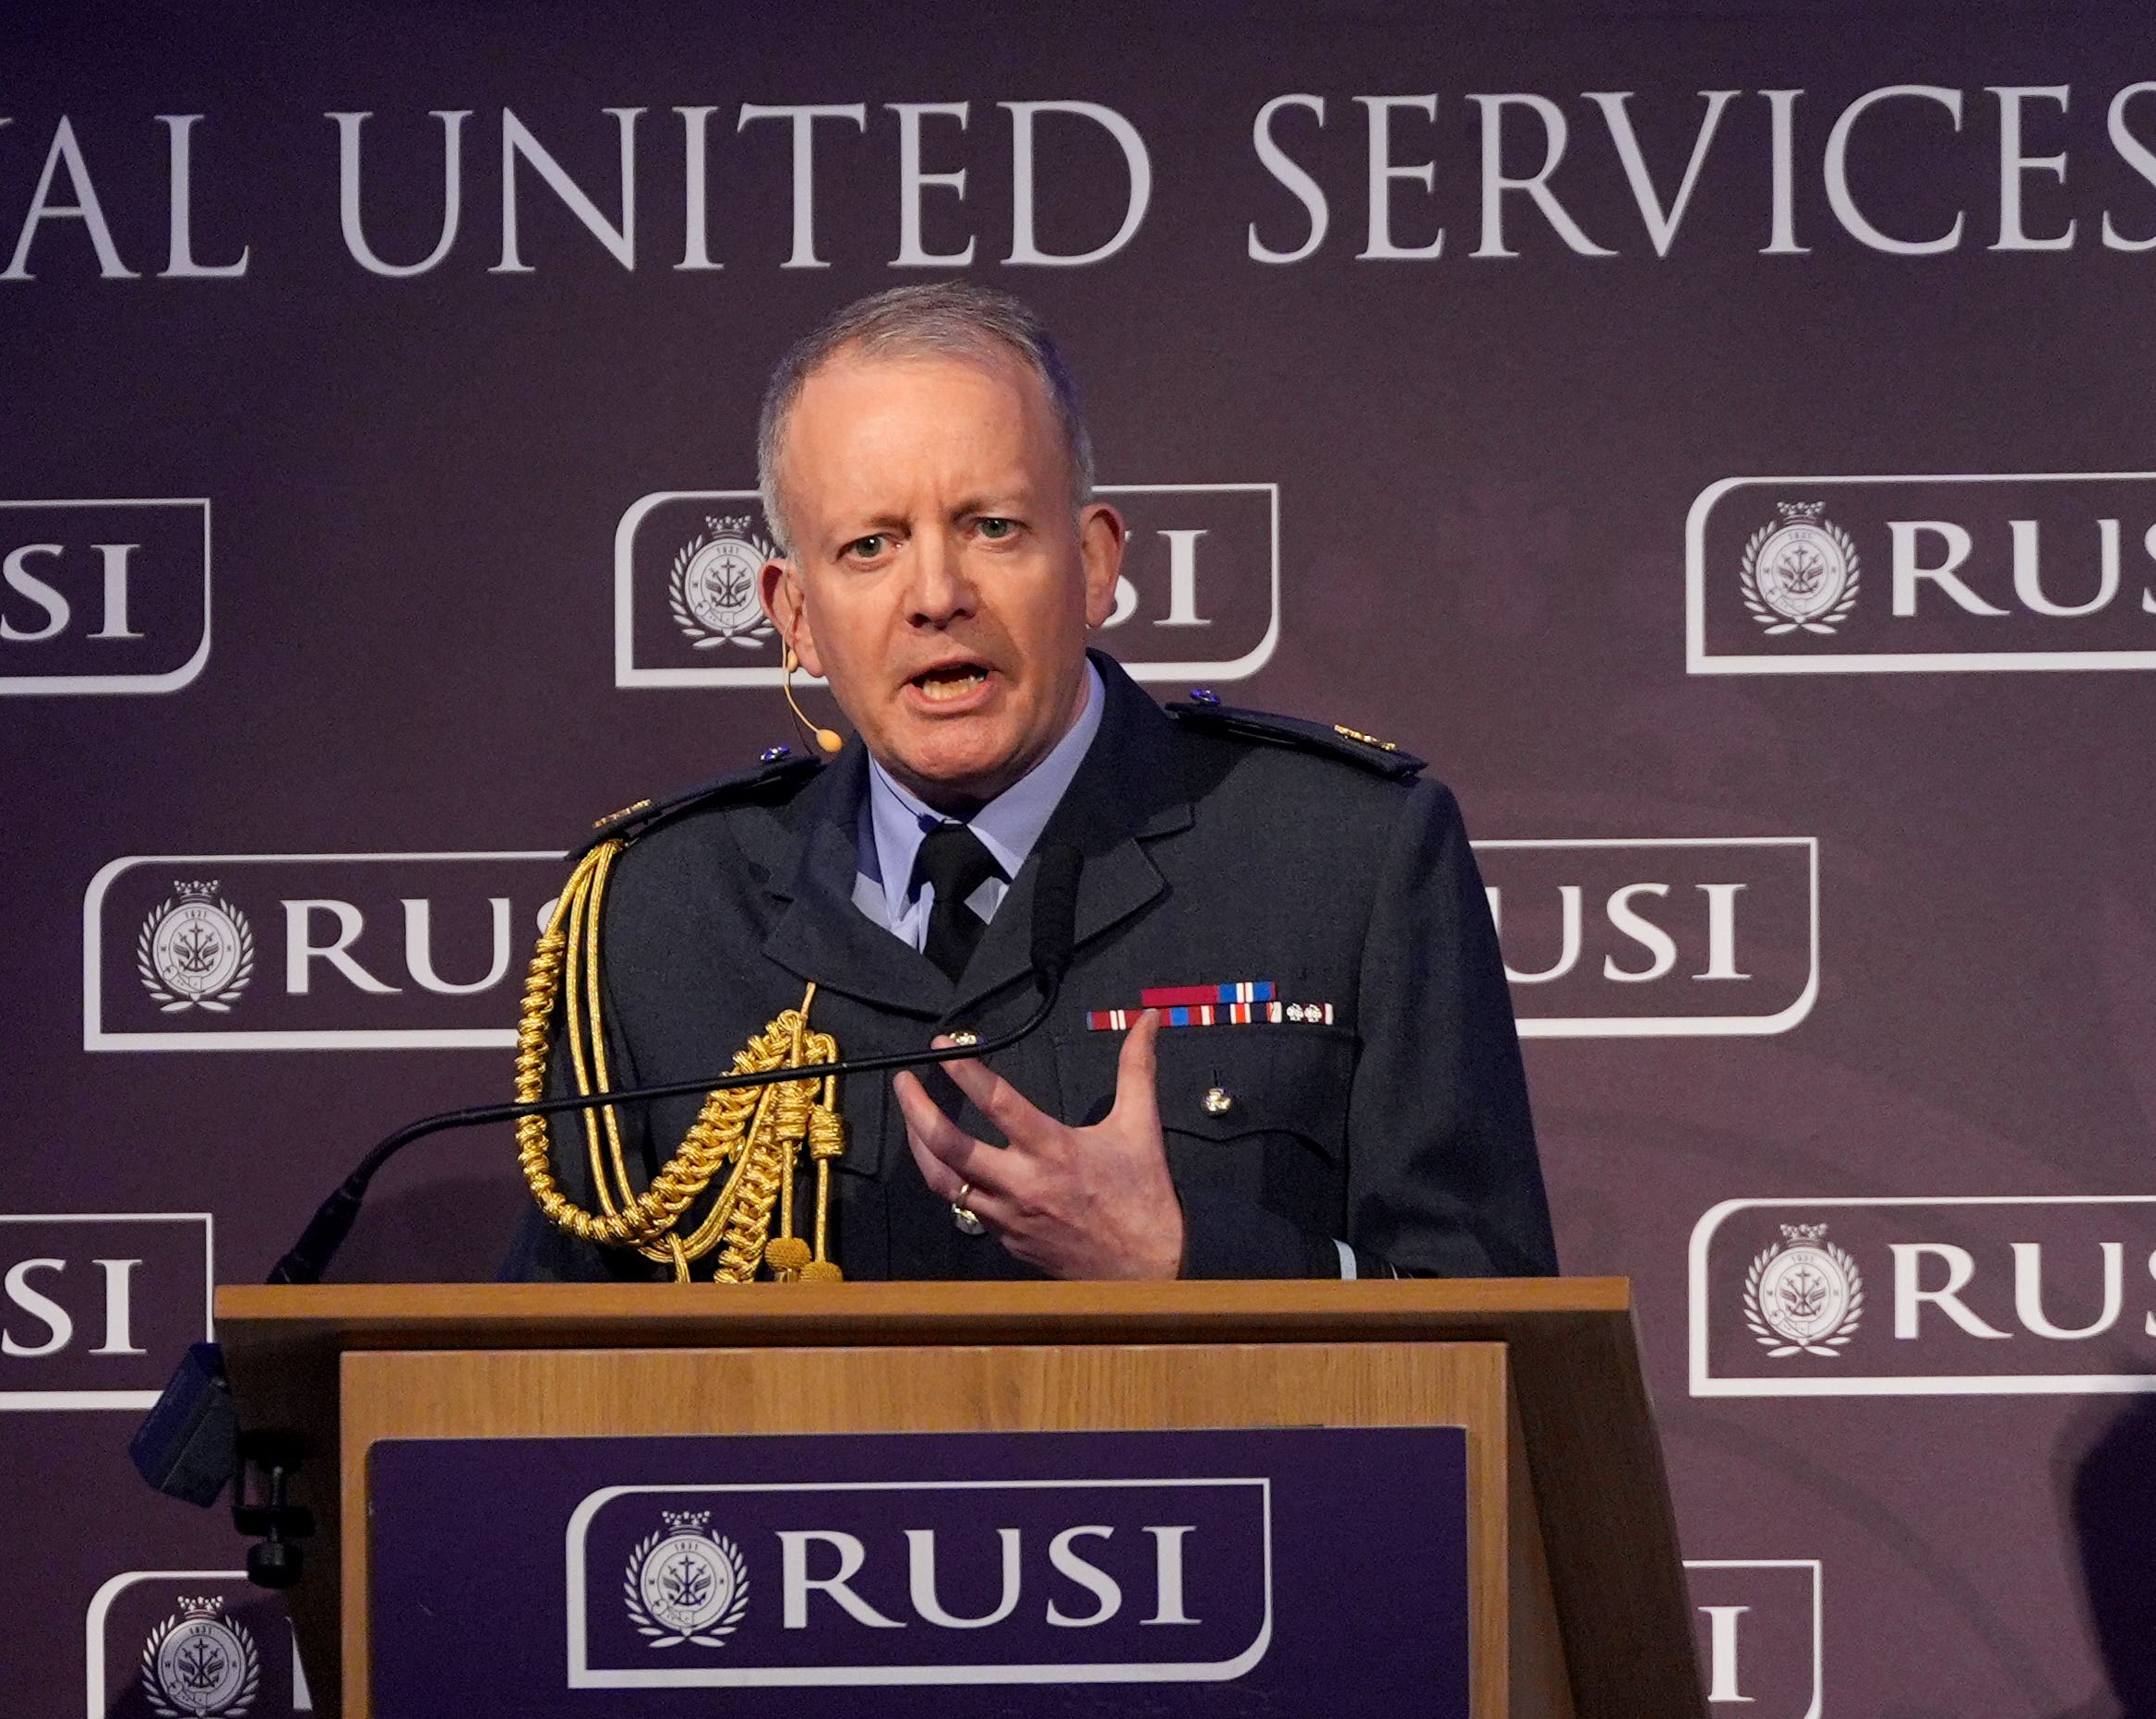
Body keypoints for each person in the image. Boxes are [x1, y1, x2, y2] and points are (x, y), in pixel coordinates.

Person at [502, 282, 1552, 1282]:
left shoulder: (1346, 856)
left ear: (1093, 564)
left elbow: (1494, 1343)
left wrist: (1185, 1261)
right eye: (869, 546)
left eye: (990, 527)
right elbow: (535, 1388)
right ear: (793, 616)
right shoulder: (655, 913)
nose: (935, 595)